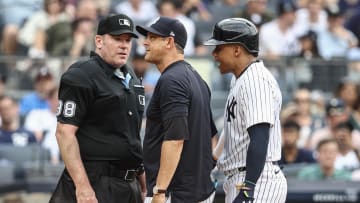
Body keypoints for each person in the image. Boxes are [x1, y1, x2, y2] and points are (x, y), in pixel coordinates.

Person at [49, 14, 146, 203]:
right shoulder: (81, 74)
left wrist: (142, 179)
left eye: (128, 40)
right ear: (99, 41)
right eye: (117, 39)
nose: (124, 45)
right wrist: (83, 187)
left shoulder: (131, 76)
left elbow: (131, 135)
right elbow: (64, 133)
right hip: (95, 181)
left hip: (128, 183)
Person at [204, 18, 287, 203]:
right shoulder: (241, 79)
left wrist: (248, 189)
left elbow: (260, 137)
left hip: (258, 180)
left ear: (236, 49)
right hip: (245, 177)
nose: (214, 53)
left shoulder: (256, 81)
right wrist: (213, 160)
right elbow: (233, 127)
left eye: (219, 47)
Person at [135, 16, 217, 202]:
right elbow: (212, 136)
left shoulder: (172, 80)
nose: (145, 42)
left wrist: (160, 190)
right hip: (199, 191)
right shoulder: (196, 78)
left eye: (152, 37)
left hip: (174, 193)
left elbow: (175, 139)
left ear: (169, 42)